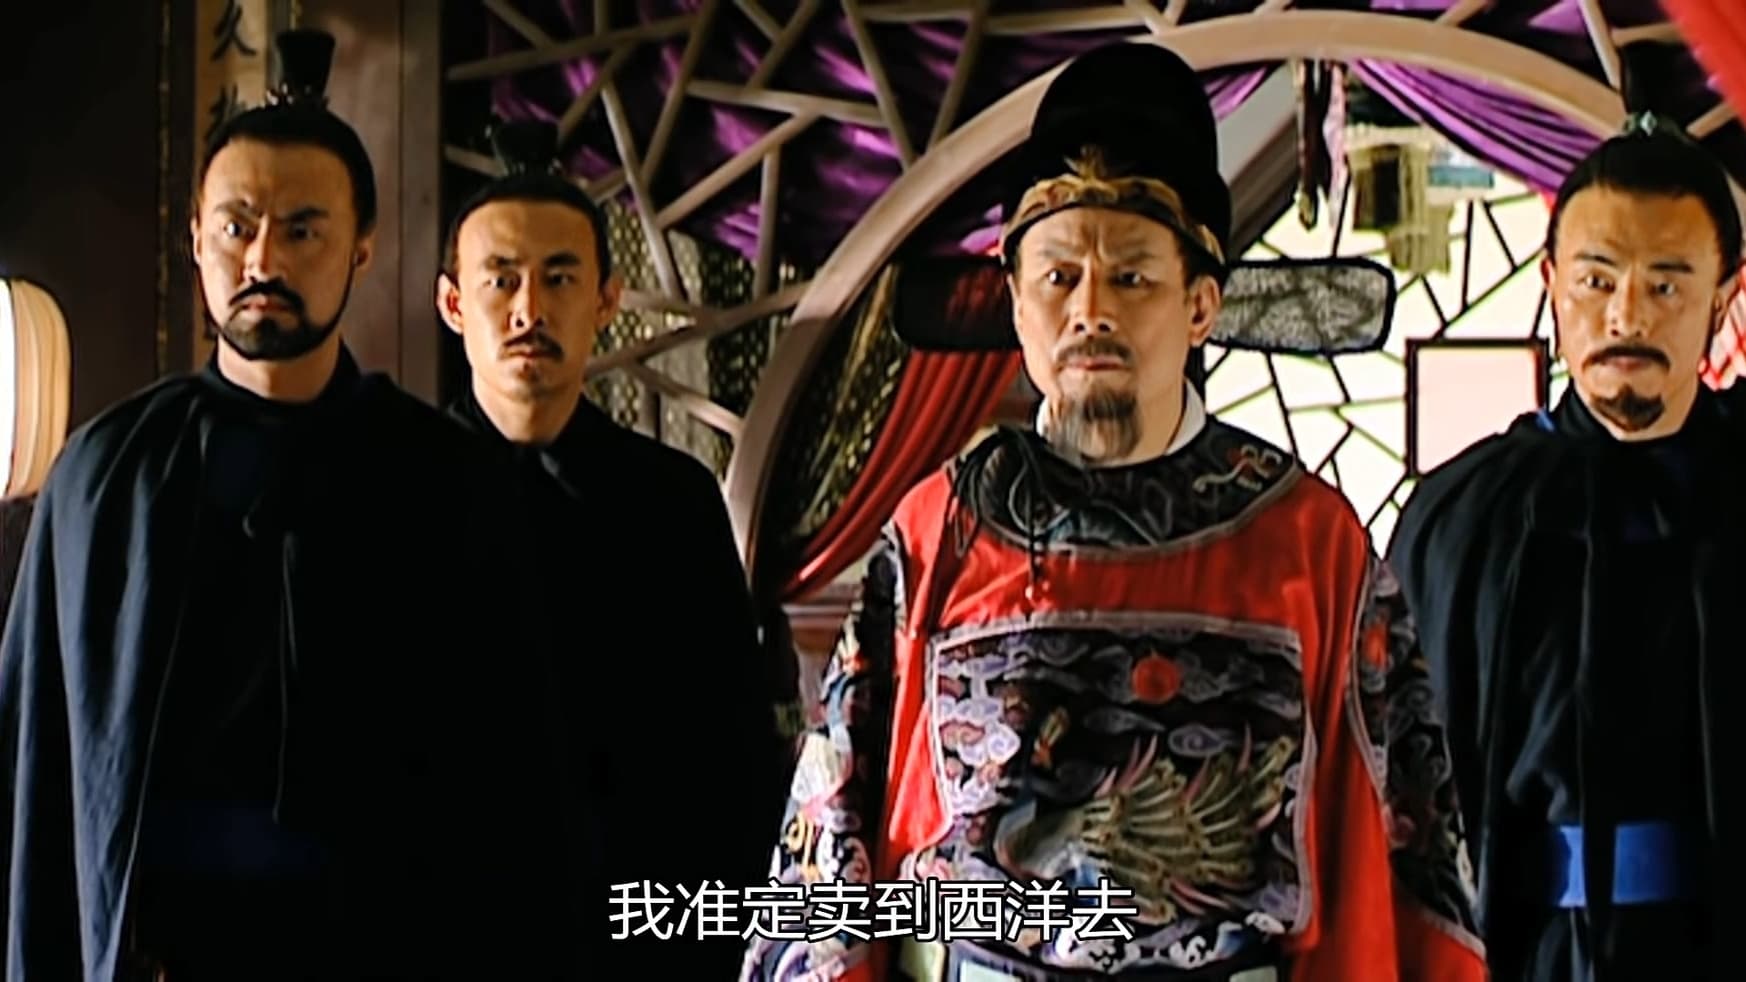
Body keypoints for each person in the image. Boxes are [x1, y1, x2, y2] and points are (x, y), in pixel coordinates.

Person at [740, 41, 1484, 982]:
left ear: (1201, 304)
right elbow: (831, 841)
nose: (1091, 310)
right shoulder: (937, 532)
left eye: (1132, 277)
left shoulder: (1309, 541)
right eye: (1059, 278)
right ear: (1016, 304)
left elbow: (1400, 858)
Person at [0, 30, 576, 981]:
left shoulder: (452, 482)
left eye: (303, 230)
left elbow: (518, 795)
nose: (263, 256)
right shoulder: (105, 476)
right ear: (196, 238)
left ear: (361, 247)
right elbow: (34, 779)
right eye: (237, 227)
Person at [1389, 45, 1746, 982]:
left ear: (1722, 300)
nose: (1627, 315)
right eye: (1597, 280)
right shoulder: (1463, 516)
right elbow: (1402, 797)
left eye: (1667, 284)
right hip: (1527, 954)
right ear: (1551, 285)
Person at [436, 118, 786, 975]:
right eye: (501, 280)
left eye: (560, 278)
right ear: (453, 304)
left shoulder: (673, 501)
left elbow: (733, 758)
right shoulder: (397, 489)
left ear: (606, 299)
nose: (529, 310)